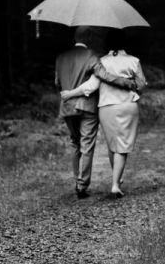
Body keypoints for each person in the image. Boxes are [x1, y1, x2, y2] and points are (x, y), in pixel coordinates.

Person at [61, 30, 146, 198]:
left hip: (106, 107)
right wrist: (134, 87)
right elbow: (141, 85)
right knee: (122, 145)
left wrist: (70, 94)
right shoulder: (134, 61)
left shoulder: (102, 62)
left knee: (112, 145)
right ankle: (115, 184)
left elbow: (91, 85)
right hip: (127, 106)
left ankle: (116, 179)